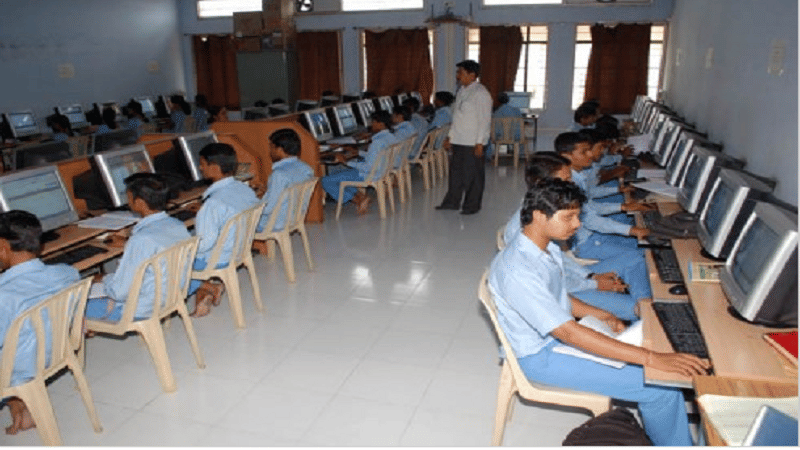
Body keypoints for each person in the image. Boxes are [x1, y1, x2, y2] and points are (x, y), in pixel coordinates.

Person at [488, 179, 710, 446]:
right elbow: (568, 333)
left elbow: (558, 297)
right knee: (660, 387)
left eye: (577, 216)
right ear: (538, 215)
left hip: (557, 339)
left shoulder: (546, 247)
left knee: (653, 348)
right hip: (541, 356)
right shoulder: (518, 270)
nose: (577, 224)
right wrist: (652, 359)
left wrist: (603, 315)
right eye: (568, 217)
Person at [502, 152, 646, 320]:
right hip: (561, 293)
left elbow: (560, 260)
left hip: (571, 279)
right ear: (542, 184)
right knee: (634, 309)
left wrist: (590, 276)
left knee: (635, 259)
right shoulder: (527, 231)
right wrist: (594, 284)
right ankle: (645, 313)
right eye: (565, 180)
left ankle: (647, 303)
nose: (571, 183)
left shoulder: (547, 214)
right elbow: (552, 283)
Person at [0, 211, 80, 435]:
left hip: (21, 368)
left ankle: (16, 398)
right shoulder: (68, 273)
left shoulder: (4, 295)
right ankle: (19, 402)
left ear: (3, 246)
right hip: (57, 352)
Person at [84, 174, 190, 322]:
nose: (127, 202)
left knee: (68, 307)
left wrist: (103, 279)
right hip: (172, 296)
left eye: (128, 198)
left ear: (139, 203)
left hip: (140, 308)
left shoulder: (140, 240)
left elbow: (119, 292)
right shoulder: (177, 225)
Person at [190, 143, 258, 316]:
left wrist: (184, 247)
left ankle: (207, 286)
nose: (200, 168)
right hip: (239, 249)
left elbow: (204, 244)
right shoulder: (245, 189)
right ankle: (206, 289)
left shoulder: (213, 204)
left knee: (168, 265)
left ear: (214, 167)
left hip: (218, 258)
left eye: (202, 164)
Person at [436, 60, 492, 215]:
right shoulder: (461, 91)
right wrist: (450, 137)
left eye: (460, 72)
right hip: (459, 140)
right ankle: (452, 202)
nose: (458, 75)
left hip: (472, 142)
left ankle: (472, 206)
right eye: (458, 72)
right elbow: (457, 118)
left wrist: (480, 142)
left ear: (472, 75)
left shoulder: (481, 93)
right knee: (456, 174)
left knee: (473, 175)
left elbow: (485, 120)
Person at [321, 110, 398, 216]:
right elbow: (377, 156)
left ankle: (357, 200)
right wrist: (358, 152)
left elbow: (368, 167)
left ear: (381, 123)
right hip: (383, 171)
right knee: (339, 174)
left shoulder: (377, 142)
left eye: (373, 122)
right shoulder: (390, 137)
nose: (371, 124)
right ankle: (361, 196)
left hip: (370, 174)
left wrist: (346, 161)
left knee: (326, 180)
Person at [256, 129, 314, 233]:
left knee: (238, 218)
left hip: (275, 223)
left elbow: (268, 208)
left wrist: (253, 204)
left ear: (279, 149)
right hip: (295, 218)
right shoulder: (306, 168)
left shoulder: (279, 174)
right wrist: (268, 192)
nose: (270, 151)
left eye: (271, 147)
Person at [489, 92, 524, 161]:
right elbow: (520, 124)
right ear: (508, 100)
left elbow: (494, 127)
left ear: (499, 101)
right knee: (520, 134)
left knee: (488, 137)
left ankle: (489, 157)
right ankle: (519, 156)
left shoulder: (496, 113)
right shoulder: (516, 110)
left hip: (499, 137)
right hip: (514, 137)